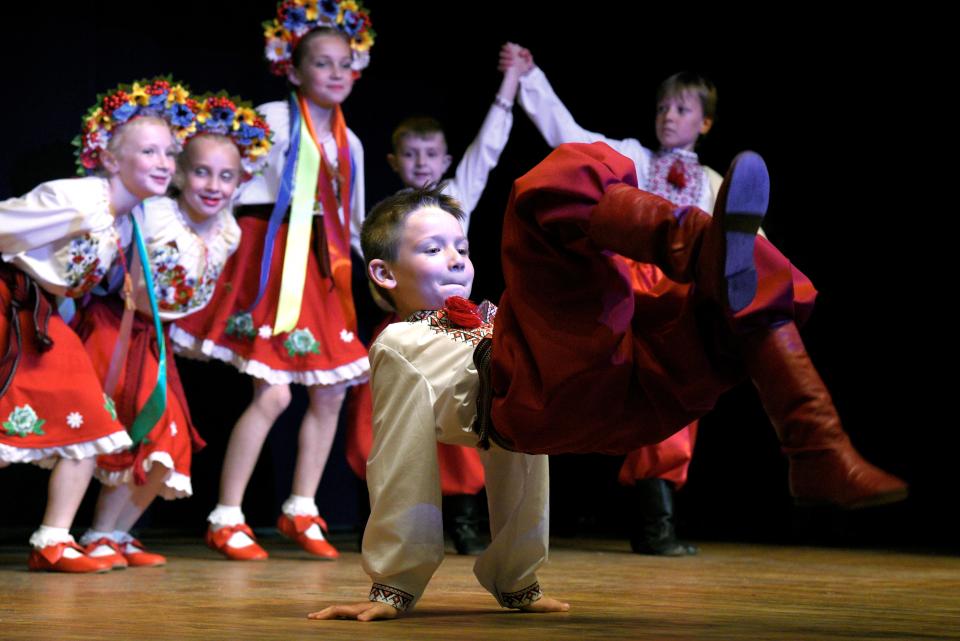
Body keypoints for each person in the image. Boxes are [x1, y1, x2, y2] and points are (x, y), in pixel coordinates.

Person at [310, 143, 906, 621]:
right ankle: (703, 245)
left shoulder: (492, 317)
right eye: (433, 248)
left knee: (725, 305)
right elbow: (399, 458)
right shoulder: (399, 344)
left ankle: (816, 446)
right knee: (543, 192)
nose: (457, 259)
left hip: (611, 400)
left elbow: (513, 457)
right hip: (537, 398)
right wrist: (393, 585)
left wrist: (517, 581)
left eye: (462, 246)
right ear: (384, 273)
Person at [170, 0, 375, 561]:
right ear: (294, 69)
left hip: (316, 268)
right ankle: (227, 513)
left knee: (331, 391)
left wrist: (374, 271)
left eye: (344, 64)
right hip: (267, 258)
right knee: (275, 391)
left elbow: (351, 223)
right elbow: (221, 187)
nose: (336, 74)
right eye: (323, 64)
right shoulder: (270, 121)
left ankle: (301, 505)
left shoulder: (349, 143)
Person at [504, 44, 730, 555]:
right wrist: (531, 77)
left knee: (673, 395)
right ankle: (506, 504)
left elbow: (745, 245)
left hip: (675, 302)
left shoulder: (714, 184)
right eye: (662, 107)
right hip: (621, 292)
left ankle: (657, 522)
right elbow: (571, 139)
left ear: (706, 123)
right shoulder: (632, 155)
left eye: (682, 108)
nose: (668, 116)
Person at [72, 93, 271, 569]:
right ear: (179, 173)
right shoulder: (154, 213)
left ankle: (116, 532)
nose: (214, 186)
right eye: (201, 172)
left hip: (155, 339)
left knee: (171, 437)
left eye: (227, 177)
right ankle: (95, 533)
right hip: (117, 327)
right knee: (132, 428)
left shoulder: (229, 231)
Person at [0, 77, 191, 572]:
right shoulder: (78, 198)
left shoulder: (126, 222)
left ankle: (54, 540)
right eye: (148, 152)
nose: (163, 163)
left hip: (38, 317)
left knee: (89, 418)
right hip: (9, 303)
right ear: (109, 159)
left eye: (168, 154)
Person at [344, 43, 529, 555]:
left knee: (476, 418)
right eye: (411, 154)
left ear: (446, 160)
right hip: (404, 329)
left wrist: (512, 83)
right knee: (389, 429)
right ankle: (388, 532)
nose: (422, 163)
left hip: (455, 330)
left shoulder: (455, 199)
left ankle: (471, 524)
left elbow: (488, 147)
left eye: (431, 155)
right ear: (394, 160)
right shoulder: (385, 218)